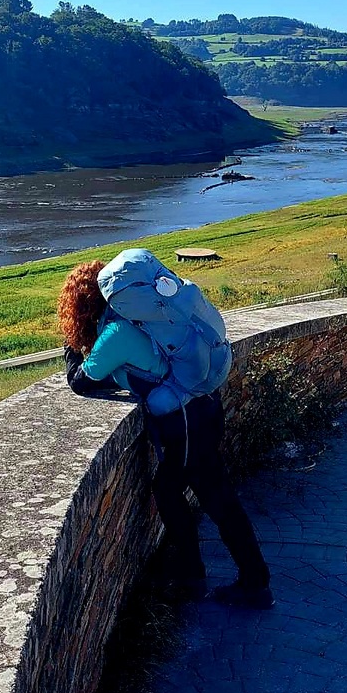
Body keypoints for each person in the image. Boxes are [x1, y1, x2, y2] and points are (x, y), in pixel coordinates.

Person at [58, 258, 273, 609]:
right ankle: (235, 578)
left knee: (201, 496)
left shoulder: (116, 332)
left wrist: (70, 346)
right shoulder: (144, 317)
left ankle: (224, 581)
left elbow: (81, 381)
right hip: (204, 404)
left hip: (184, 421)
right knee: (194, 492)